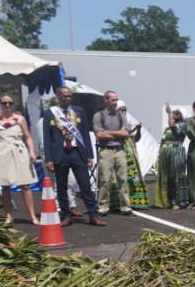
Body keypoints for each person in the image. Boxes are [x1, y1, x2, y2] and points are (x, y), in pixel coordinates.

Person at [42, 86, 104, 226]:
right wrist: (49, 158)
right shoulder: (49, 113)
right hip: (60, 153)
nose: (69, 98)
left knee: (85, 185)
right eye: (66, 96)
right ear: (58, 96)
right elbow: (47, 137)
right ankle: (66, 215)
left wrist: (89, 155)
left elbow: (85, 135)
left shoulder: (79, 111)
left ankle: (93, 215)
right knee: (62, 186)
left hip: (77, 152)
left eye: (70, 96)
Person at [0, 94, 38, 225]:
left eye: (10, 102)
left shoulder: (20, 119)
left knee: (25, 185)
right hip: (2, 151)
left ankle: (32, 216)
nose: (7, 105)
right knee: (5, 185)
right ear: (0, 105)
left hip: (19, 150)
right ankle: (8, 215)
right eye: (4, 103)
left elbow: (28, 137)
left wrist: (32, 151)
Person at [93, 91, 132, 216]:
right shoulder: (98, 116)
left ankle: (126, 207)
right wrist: (118, 133)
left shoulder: (121, 116)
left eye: (116, 100)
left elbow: (126, 133)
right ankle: (103, 207)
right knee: (104, 180)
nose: (115, 102)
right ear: (106, 100)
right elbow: (99, 134)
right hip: (106, 150)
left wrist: (108, 133)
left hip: (120, 150)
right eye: (113, 100)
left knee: (123, 180)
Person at [114, 100, 150, 209]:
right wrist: (129, 130)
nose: (124, 112)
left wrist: (137, 130)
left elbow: (136, 138)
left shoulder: (128, 122)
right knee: (120, 176)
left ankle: (134, 201)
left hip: (131, 152)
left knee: (133, 177)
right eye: (122, 109)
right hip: (120, 151)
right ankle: (119, 202)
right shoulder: (113, 122)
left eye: (125, 110)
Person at [155, 104, 190, 210]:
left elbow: (173, 126)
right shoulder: (168, 128)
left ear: (182, 116)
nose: (174, 114)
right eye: (174, 112)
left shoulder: (183, 125)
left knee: (176, 176)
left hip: (176, 151)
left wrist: (169, 113)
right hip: (166, 153)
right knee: (167, 176)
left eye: (177, 113)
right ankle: (168, 200)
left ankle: (178, 201)